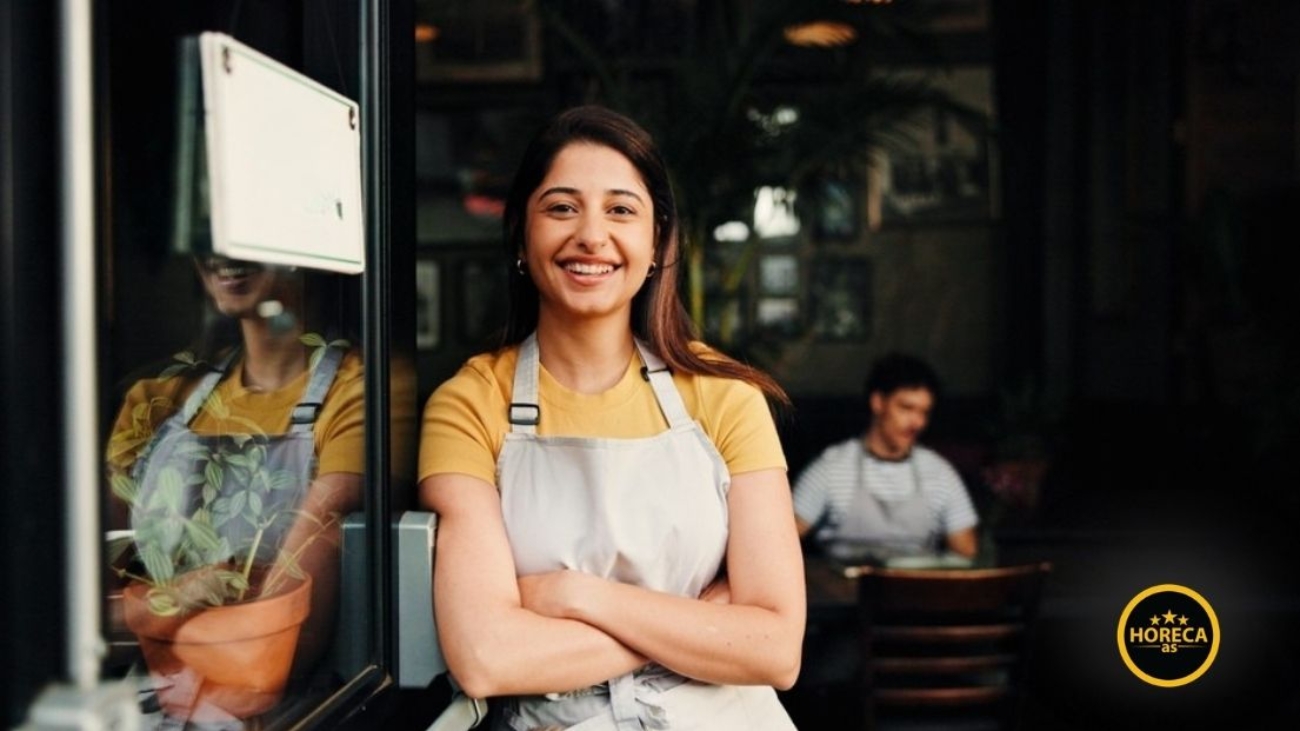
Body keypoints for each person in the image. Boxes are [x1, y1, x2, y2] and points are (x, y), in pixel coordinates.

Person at [417, 105, 805, 731]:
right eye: (562, 208)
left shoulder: (726, 396)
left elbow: (777, 650)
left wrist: (574, 597)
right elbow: (487, 657)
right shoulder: (468, 402)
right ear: (522, 236)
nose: (592, 236)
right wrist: (698, 627)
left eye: (621, 210)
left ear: (656, 243)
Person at [105, 256, 364, 723]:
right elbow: (67, 609)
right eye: (207, 234)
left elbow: (275, 644)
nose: (220, 253)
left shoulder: (360, 394)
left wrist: (138, 613)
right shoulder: (155, 400)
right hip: (141, 700)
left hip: (277, 713)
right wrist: (183, 597)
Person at [792, 352, 978, 561]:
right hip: (845, 591)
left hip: (917, 590)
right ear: (878, 402)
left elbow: (966, 553)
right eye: (906, 408)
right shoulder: (831, 468)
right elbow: (784, 539)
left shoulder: (940, 473)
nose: (917, 423)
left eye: (924, 412)